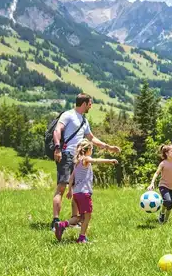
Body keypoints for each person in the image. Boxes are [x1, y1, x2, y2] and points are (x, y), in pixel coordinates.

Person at [51, 93, 121, 231]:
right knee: (61, 188)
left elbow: (91, 138)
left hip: (78, 159)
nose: (91, 106)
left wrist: (108, 147)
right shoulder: (68, 115)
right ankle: (55, 222)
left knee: (76, 189)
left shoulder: (84, 120)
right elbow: (57, 130)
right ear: (84, 104)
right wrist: (57, 148)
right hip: (66, 155)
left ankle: (74, 220)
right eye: (90, 103)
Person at [54, 139, 118, 243]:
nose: (92, 151)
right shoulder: (85, 159)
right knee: (87, 216)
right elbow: (96, 161)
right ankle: (81, 238)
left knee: (82, 217)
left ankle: (62, 225)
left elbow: (71, 178)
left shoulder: (77, 163)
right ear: (87, 150)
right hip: (84, 193)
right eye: (91, 149)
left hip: (77, 193)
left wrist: (70, 190)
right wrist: (109, 161)